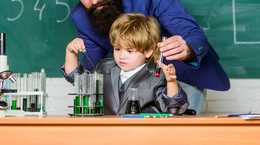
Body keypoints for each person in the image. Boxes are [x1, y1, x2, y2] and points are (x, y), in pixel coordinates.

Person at [60, 0, 230, 115]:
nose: (94, 0)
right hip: (133, 85)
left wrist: (187, 48)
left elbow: (194, 35)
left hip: (177, 76)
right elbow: (94, 75)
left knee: (176, 135)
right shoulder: (81, 17)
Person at [61, 13, 189, 115]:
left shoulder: (157, 76)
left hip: (142, 137)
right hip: (106, 135)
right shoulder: (104, 67)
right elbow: (77, 78)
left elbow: (173, 108)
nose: (122, 56)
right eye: (117, 49)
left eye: (129, 51)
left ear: (148, 52)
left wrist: (171, 82)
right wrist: (70, 52)